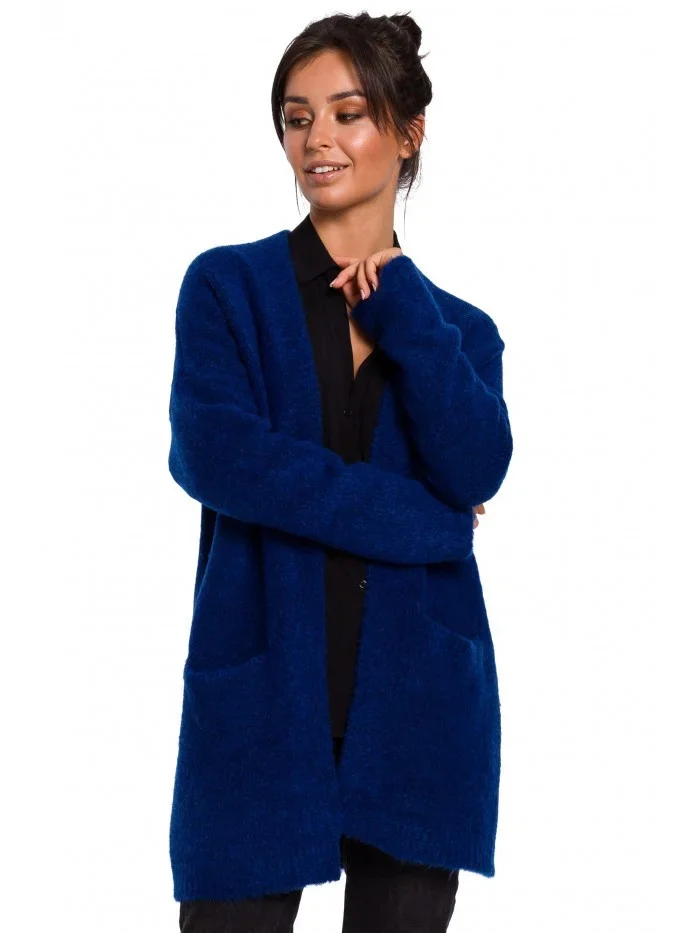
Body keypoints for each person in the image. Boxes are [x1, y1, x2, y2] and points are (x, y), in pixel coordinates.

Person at [169, 11, 513, 932]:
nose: (317, 139)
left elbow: (479, 462)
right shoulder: (227, 290)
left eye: (348, 113)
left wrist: (404, 308)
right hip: (262, 696)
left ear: (408, 131)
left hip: (420, 708)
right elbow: (219, 456)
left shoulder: (460, 331)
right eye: (297, 117)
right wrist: (431, 521)